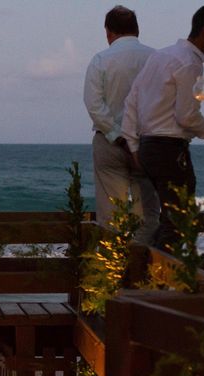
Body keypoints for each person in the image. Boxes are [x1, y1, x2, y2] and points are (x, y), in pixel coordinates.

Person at [122, 5, 204, 250]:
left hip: (150, 146)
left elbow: (132, 100)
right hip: (169, 149)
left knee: (167, 220)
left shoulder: (161, 55)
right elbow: (186, 117)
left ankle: (143, 272)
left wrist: (135, 145)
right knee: (178, 220)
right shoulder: (190, 63)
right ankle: (154, 280)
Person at [83, 6, 159, 244]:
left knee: (110, 218)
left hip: (109, 142)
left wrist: (118, 135)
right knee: (147, 217)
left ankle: (112, 273)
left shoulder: (100, 60)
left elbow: (94, 105)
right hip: (147, 143)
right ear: (137, 29)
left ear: (108, 32)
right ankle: (140, 271)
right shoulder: (156, 59)